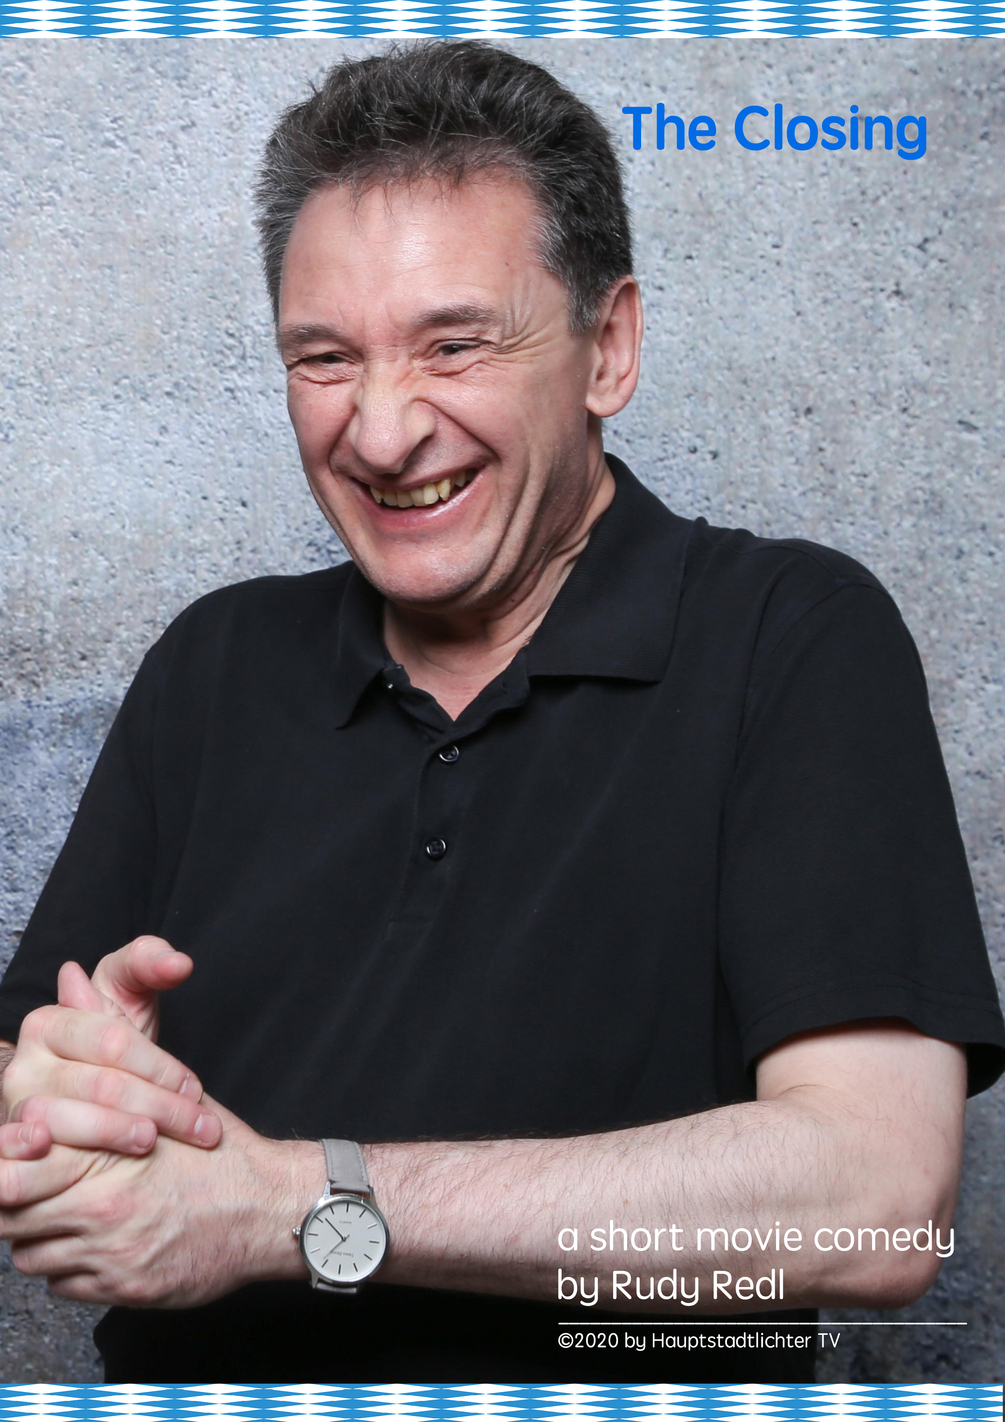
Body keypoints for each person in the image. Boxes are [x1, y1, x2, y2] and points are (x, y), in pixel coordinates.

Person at [0, 40, 1002, 1387]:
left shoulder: (790, 635)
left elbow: (873, 1205)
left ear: (608, 348)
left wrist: (293, 1203)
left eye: (453, 345)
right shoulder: (215, 661)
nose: (381, 432)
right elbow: (29, 1080)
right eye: (323, 358)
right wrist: (57, 1104)